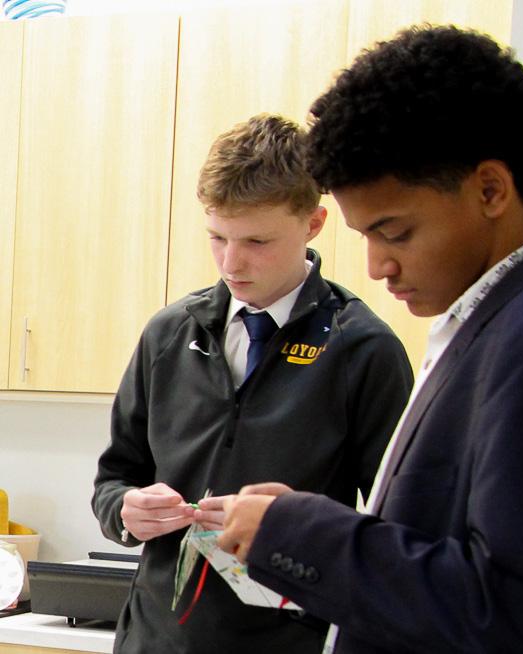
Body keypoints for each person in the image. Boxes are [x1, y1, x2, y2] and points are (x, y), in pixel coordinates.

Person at [218, 25, 523, 654]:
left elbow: (515, 618)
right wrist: (307, 526)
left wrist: (304, 536)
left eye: (395, 233)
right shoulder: (494, 322)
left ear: (490, 190)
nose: (377, 266)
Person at [91, 114, 413, 654]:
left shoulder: (363, 349)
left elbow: (396, 532)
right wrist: (125, 511)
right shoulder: (168, 333)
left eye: (257, 241)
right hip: (155, 639)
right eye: (217, 237)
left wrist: (295, 534)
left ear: (314, 224)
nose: (231, 262)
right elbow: (114, 479)